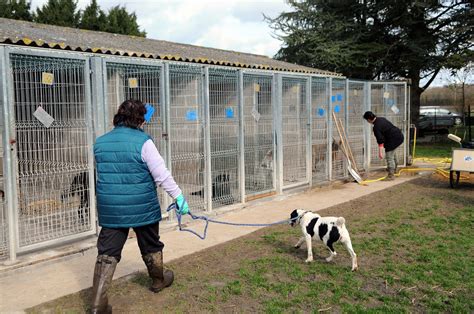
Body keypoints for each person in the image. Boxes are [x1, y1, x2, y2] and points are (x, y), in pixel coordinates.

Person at [91, 99, 189, 313]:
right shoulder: (143, 142)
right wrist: (179, 197)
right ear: (139, 119)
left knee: (107, 251)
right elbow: (161, 175)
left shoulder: (100, 142)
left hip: (112, 207)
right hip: (141, 205)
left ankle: (98, 303)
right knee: (151, 244)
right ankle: (158, 280)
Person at [363, 111, 404, 180]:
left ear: (369, 119)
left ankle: (391, 175)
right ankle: (395, 170)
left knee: (389, 157)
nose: (367, 121)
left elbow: (380, 140)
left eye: (367, 120)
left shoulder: (376, 127)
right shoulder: (381, 119)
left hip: (393, 139)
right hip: (399, 136)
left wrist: (380, 152)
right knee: (393, 154)